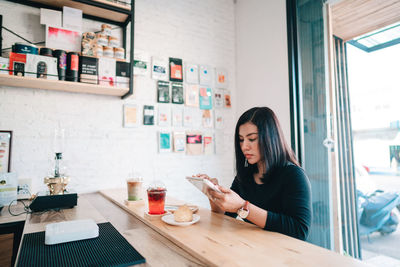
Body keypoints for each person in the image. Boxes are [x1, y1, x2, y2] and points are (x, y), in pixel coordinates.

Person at [196, 107, 312, 240]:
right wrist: (214, 194)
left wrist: (243, 207)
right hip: (255, 248)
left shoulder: (294, 175)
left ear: (270, 138)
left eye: (251, 139)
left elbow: (299, 231)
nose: (244, 146)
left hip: (284, 255)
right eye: (241, 139)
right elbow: (227, 215)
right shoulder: (246, 175)